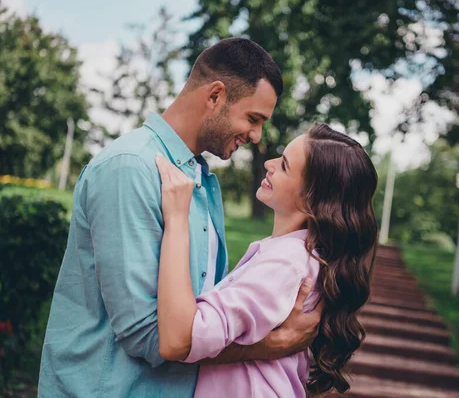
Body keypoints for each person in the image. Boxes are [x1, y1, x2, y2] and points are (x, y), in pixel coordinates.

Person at [39, 38, 321, 397]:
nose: (256, 136)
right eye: (253, 118)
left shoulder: (197, 179)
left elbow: (199, 314)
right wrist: (270, 347)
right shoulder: (132, 168)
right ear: (215, 95)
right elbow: (149, 334)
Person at [155, 124, 379, 397]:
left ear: (312, 200)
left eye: (284, 166)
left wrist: (177, 219)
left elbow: (185, 337)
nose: (270, 164)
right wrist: (274, 343)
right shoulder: (294, 255)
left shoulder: (287, 263)